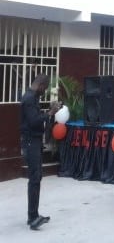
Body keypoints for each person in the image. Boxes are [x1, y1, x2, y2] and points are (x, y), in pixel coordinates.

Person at [20, 74, 61, 230]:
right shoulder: (29, 98)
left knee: (36, 177)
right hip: (31, 141)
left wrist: (47, 113)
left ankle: (34, 214)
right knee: (35, 178)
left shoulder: (31, 97)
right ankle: (32, 218)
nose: (45, 91)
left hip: (34, 141)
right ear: (41, 85)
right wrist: (50, 113)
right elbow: (33, 121)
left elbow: (35, 118)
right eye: (45, 88)